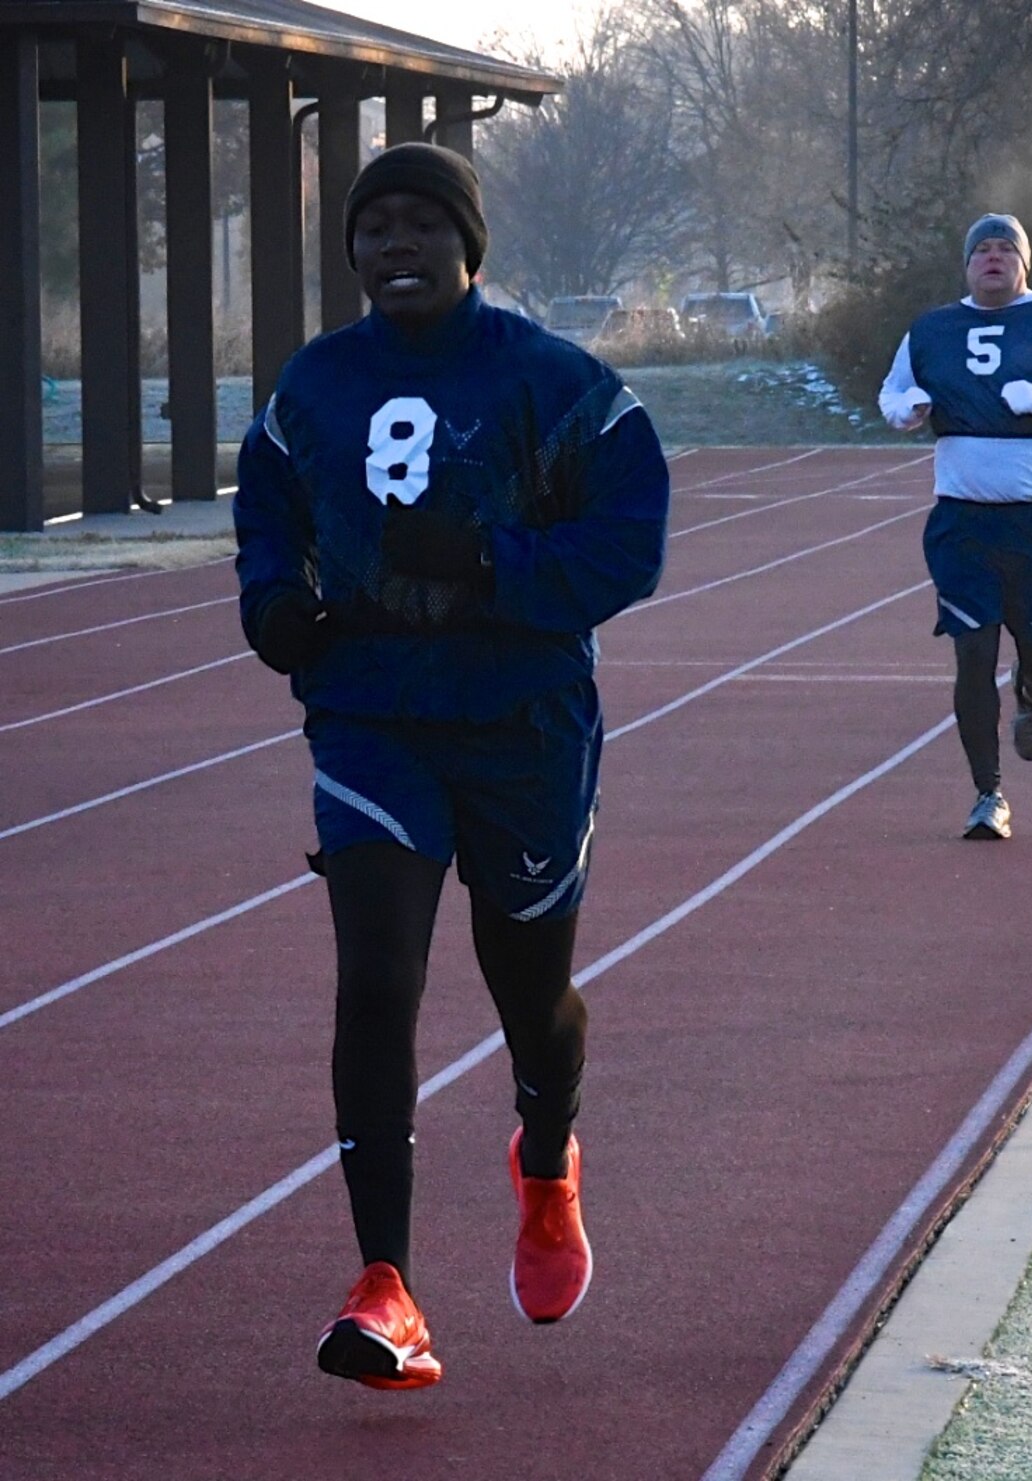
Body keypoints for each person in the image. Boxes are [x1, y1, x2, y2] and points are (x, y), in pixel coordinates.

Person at [233, 143, 672, 1389]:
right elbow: (268, 507)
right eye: (375, 229)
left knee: (529, 994)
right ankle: (387, 1283)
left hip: (522, 722)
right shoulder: (315, 383)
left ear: (468, 244)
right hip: (371, 715)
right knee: (376, 972)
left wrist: (491, 568)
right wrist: (273, 602)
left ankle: (546, 1155)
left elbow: (629, 544)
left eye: (423, 224)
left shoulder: (553, 379)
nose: (396, 247)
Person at [878, 214, 1032, 840]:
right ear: (966, 264)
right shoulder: (932, 328)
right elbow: (891, 393)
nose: (992, 260)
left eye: (1004, 251)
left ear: (1024, 264)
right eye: (981, 251)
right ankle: (988, 794)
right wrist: (907, 410)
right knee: (971, 652)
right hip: (962, 523)